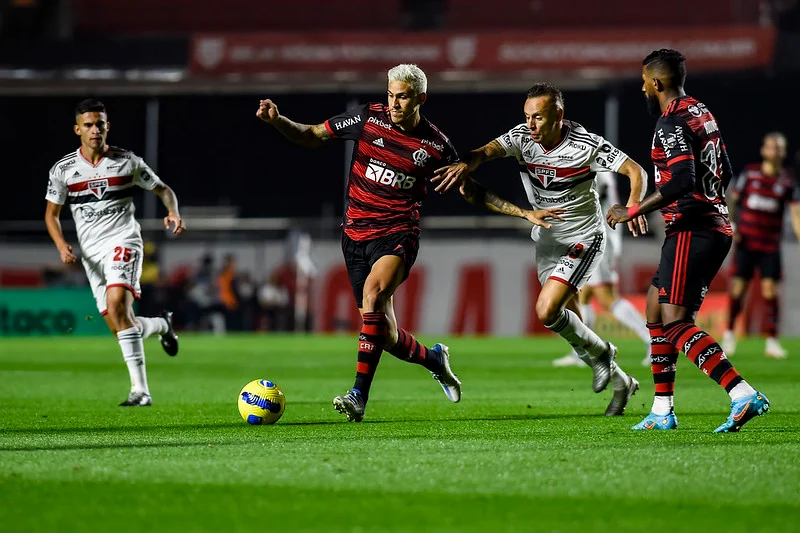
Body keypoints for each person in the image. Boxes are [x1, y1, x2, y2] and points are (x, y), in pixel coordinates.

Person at [256, 64, 462, 422]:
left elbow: (468, 188)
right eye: (391, 94)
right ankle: (434, 359)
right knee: (385, 334)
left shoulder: (436, 145)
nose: (395, 103)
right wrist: (278, 121)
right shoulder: (368, 118)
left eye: (403, 96)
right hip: (353, 235)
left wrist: (520, 212)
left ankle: (358, 396)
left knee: (372, 295)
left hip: (398, 233)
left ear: (421, 99)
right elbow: (312, 135)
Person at [435, 82, 647, 416]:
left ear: (558, 115)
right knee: (571, 322)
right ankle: (621, 381)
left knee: (547, 311)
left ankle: (605, 354)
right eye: (527, 116)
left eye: (538, 117)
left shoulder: (586, 145)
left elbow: (635, 171)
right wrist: (467, 162)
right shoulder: (522, 137)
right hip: (548, 239)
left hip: (583, 236)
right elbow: (486, 152)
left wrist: (633, 206)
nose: (530, 125)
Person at [607, 49, 769, 432]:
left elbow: (682, 180)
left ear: (657, 83)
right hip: (712, 225)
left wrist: (633, 210)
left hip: (692, 230)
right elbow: (724, 170)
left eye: (644, 81)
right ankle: (662, 410)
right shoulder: (702, 112)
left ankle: (741, 392)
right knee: (653, 308)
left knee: (676, 322)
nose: (642, 87)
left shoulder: (671, 122)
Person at [44, 98, 184, 407]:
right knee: (120, 323)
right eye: (89, 125)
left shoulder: (127, 161)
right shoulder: (64, 170)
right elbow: (51, 215)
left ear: (108, 126)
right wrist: (61, 244)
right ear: (77, 129)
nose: (95, 130)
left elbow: (163, 189)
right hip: (92, 256)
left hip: (124, 241)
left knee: (117, 303)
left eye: (100, 124)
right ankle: (162, 325)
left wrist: (172, 212)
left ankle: (141, 391)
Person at [551, 171, 653, 368]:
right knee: (583, 295)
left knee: (607, 298)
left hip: (599, 240)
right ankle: (583, 351)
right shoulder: (586, 164)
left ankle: (652, 340)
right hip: (591, 239)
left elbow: (591, 198)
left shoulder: (595, 168)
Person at [722, 132, 800, 359]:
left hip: (770, 246)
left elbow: (795, 214)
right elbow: (733, 201)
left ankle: (772, 342)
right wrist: (732, 226)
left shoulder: (786, 181)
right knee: (738, 289)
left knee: (770, 291)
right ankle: (729, 335)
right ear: (764, 150)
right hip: (746, 242)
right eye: (771, 147)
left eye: (779, 148)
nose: (774, 151)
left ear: (782, 153)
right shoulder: (751, 174)